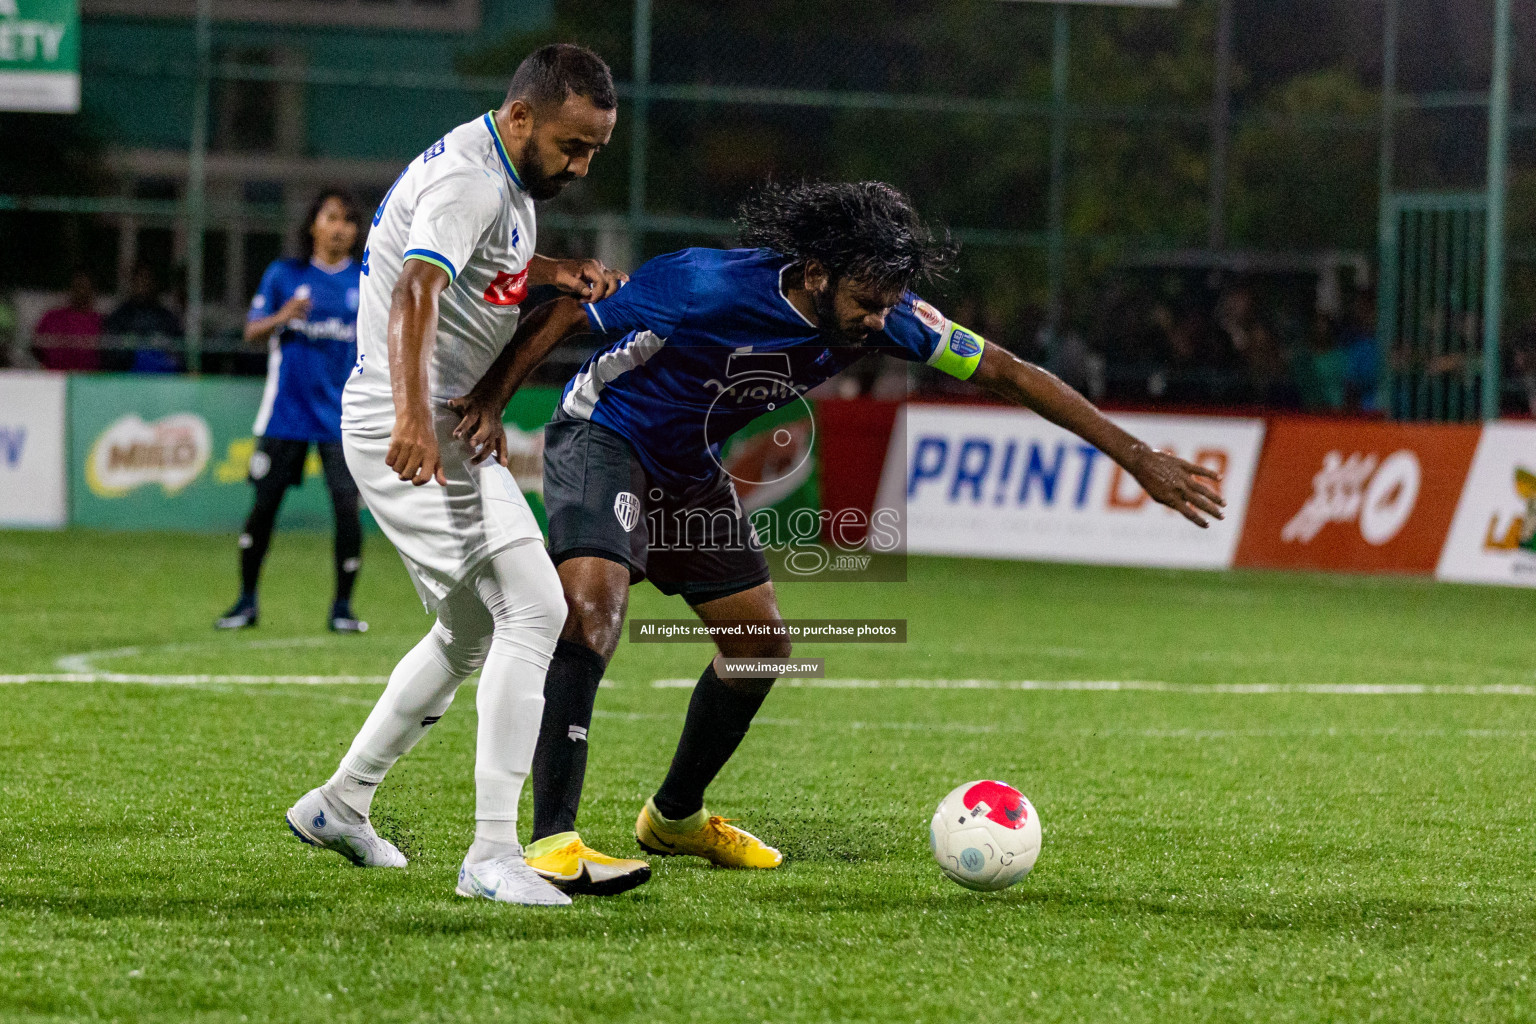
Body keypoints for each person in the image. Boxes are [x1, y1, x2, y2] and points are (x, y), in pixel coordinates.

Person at [450, 180, 1226, 895]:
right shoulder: (702, 284)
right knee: (590, 614)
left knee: (761, 646)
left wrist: (1138, 456)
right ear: (816, 271)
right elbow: (567, 315)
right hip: (605, 433)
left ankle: (674, 818)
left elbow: (1008, 372)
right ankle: (553, 843)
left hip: (689, 467)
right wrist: (490, 398)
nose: (878, 318)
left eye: (890, 298)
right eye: (866, 298)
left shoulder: (893, 320)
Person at [283, 44, 629, 908]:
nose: (581, 166)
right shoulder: (472, 181)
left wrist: (551, 273)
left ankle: (341, 802)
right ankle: (491, 855)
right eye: (573, 147)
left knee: (472, 628)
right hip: (407, 419)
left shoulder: (506, 181)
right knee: (537, 609)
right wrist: (412, 414)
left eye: (595, 151)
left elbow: (486, 273)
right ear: (521, 117)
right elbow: (416, 290)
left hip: (436, 414)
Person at [216, 190, 369, 633]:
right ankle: (246, 602)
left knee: (346, 509)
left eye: (348, 220)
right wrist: (283, 315)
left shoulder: (364, 281)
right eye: (331, 217)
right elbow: (251, 332)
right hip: (285, 415)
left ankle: (342, 608)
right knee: (263, 508)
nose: (340, 227)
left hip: (341, 420)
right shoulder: (285, 274)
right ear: (313, 224)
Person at [103, 263, 183, 373]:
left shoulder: (166, 317)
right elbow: (110, 353)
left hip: (161, 381)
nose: (143, 284)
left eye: (147, 279)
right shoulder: (120, 316)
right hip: (127, 379)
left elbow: (178, 352)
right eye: (139, 279)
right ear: (132, 283)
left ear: (154, 284)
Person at [32, 271, 103, 371]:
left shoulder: (101, 321)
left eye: (85, 288)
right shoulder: (52, 317)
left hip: (88, 380)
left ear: (93, 291)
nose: (81, 292)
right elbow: (36, 346)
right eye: (77, 287)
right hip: (54, 378)